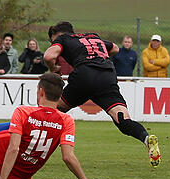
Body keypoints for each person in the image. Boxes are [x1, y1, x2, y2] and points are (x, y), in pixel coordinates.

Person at [43, 21, 160, 168]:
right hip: (107, 76)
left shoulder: (63, 39)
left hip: (84, 76)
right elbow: (115, 49)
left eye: (52, 40)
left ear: (57, 35)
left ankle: (31, 147)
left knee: (52, 111)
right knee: (123, 120)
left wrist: (54, 68)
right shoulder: (93, 36)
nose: (52, 43)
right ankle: (146, 138)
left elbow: (48, 57)